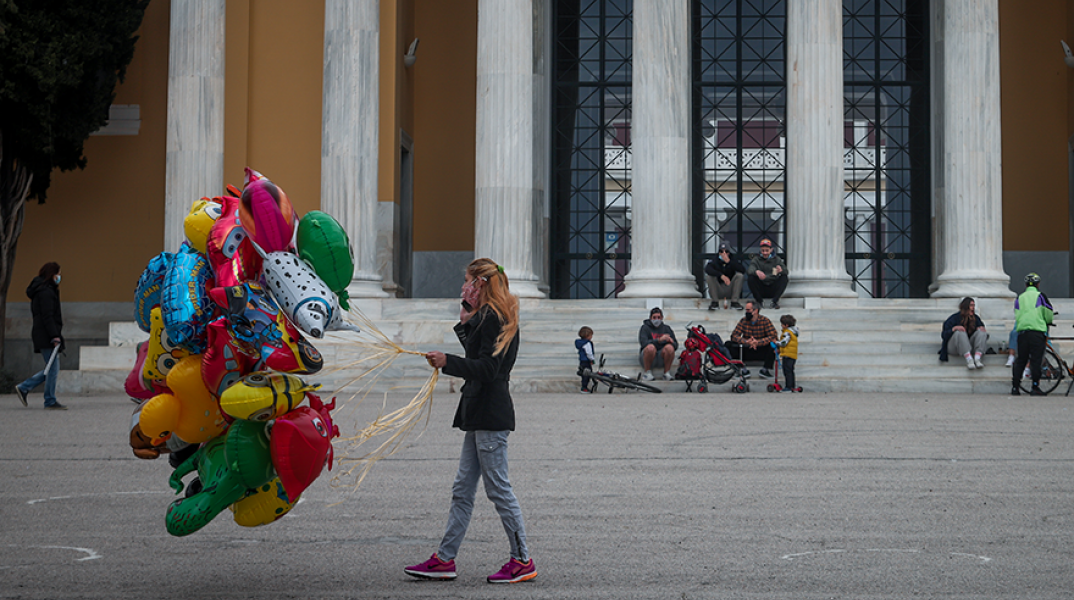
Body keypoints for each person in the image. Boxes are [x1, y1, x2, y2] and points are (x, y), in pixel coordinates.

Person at [406, 258, 536, 584]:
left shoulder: (495, 317)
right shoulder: (491, 316)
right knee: (462, 490)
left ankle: (522, 559)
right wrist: (465, 323)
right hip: (479, 412)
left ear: (480, 282)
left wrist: (447, 361)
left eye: (467, 280)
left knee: (498, 490)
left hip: (490, 413)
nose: (463, 286)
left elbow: (488, 370)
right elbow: (481, 358)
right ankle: (445, 559)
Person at [14, 262, 66, 410]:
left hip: (43, 333)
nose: (59, 277)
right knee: (52, 369)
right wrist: (55, 335)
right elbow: (48, 316)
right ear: (52, 274)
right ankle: (47, 399)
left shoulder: (42, 290)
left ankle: (26, 388)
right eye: (58, 273)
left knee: (51, 368)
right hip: (46, 334)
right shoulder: (46, 292)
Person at [1012, 272, 1054, 396]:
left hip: (1023, 332)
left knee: (1021, 360)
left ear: (1025, 285)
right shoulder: (1040, 296)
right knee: (1036, 360)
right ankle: (1035, 387)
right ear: (1038, 284)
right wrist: (1048, 321)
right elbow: (1048, 312)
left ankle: (1015, 387)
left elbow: (1017, 314)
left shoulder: (1020, 298)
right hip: (1037, 332)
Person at [726, 299, 779, 378]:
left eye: (748, 310)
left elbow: (773, 336)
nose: (746, 312)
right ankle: (742, 370)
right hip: (747, 349)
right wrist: (746, 341)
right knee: (728, 344)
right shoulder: (743, 320)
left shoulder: (765, 320)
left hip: (761, 349)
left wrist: (758, 342)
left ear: (755, 311)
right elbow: (734, 336)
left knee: (773, 344)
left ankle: (765, 370)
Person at [939, 297, 989, 370]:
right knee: (960, 331)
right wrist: (954, 329)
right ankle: (969, 359)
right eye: (971, 305)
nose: (973, 308)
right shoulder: (954, 318)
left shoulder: (976, 318)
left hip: (970, 346)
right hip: (954, 347)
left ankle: (977, 358)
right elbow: (944, 335)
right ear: (966, 306)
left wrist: (980, 329)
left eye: (974, 305)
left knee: (981, 332)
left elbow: (983, 336)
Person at [747, 238, 788, 310]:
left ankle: (774, 301)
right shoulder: (756, 259)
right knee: (751, 278)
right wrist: (756, 272)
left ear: (771, 250)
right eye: (763, 250)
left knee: (784, 278)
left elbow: (786, 271)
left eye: (767, 250)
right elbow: (750, 270)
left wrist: (781, 270)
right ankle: (759, 301)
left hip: (772, 286)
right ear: (760, 250)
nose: (765, 253)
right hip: (761, 287)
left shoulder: (777, 259)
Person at [638, 307, 678, 381]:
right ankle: (647, 373)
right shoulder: (644, 328)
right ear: (650, 318)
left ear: (662, 318)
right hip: (647, 356)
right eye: (654, 317)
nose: (656, 319)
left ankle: (666, 373)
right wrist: (659, 340)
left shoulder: (667, 328)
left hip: (661, 356)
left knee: (669, 348)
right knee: (651, 347)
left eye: (659, 317)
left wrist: (671, 342)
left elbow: (676, 345)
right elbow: (644, 343)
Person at [705, 243, 745, 310]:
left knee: (739, 276)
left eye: (726, 251)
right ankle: (715, 302)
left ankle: (734, 302)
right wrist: (721, 276)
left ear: (729, 252)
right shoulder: (715, 260)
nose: (724, 253)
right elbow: (707, 269)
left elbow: (742, 269)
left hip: (730, 288)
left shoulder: (732, 259)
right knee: (709, 277)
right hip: (718, 289)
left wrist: (729, 262)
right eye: (721, 251)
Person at [778, 314, 800, 391]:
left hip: (787, 354)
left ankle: (788, 386)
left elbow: (784, 343)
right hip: (792, 355)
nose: (781, 325)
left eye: (782, 324)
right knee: (790, 370)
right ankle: (792, 386)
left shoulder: (787, 333)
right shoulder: (794, 332)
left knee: (787, 371)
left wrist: (777, 343)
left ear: (786, 325)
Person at [576, 326, 595, 393]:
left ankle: (584, 387)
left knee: (584, 374)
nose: (591, 337)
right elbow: (589, 353)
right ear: (587, 336)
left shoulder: (580, 343)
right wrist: (592, 359)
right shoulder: (587, 343)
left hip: (582, 361)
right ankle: (584, 388)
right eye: (591, 335)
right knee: (587, 375)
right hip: (586, 361)